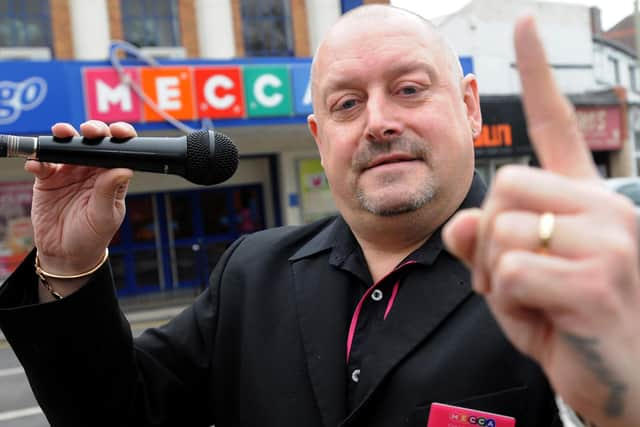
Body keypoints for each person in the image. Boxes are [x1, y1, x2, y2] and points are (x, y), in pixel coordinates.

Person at [0, 5, 637, 427]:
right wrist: (69, 262)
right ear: (318, 134)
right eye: (347, 103)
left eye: (410, 89)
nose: (380, 120)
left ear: (470, 107)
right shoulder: (252, 273)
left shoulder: (562, 279)